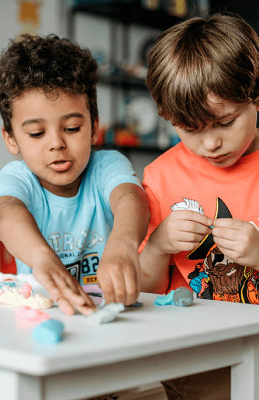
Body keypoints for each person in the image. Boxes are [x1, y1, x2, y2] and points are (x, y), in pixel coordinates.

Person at [139, 12, 259, 400]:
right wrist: (157, 245)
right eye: (190, 129)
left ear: (256, 97)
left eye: (225, 123)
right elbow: (144, 289)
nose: (210, 145)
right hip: (196, 356)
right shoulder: (160, 176)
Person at [0, 34, 149, 316]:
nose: (56, 143)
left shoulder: (106, 166)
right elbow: (5, 212)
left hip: (112, 313)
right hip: (43, 312)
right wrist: (41, 257)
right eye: (37, 133)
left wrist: (124, 243)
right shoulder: (17, 178)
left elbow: (130, 196)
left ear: (94, 127)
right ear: (11, 138)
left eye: (72, 128)